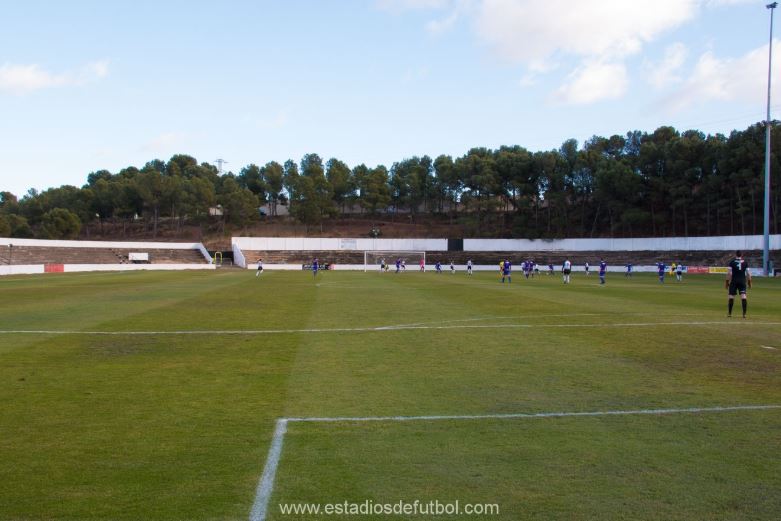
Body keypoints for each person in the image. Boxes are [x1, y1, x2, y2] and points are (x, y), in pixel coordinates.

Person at [726, 250, 752, 318]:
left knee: (731, 296)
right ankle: (744, 314)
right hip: (742, 281)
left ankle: (729, 313)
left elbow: (729, 273)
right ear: (741, 255)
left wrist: (727, 282)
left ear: (735, 255)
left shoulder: (732, 262)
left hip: (734, 281)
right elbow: (748, 274)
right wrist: (749, 282)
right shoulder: (745, 263)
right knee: (743, 296)